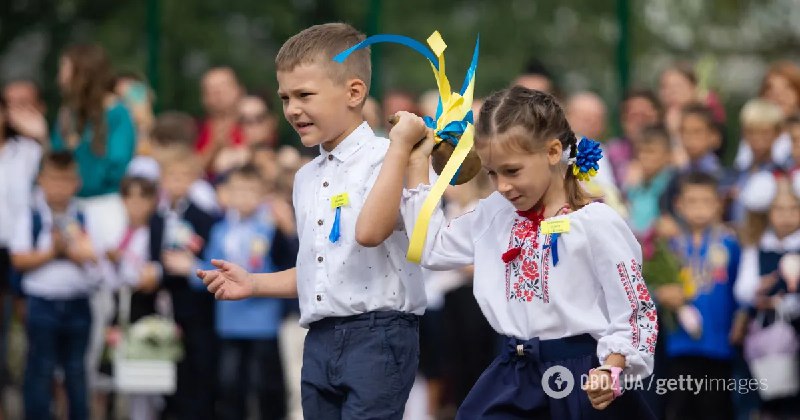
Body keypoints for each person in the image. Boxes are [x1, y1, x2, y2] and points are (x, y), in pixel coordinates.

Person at [356, 86, 657, 419]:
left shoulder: (596, 223)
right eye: (492, 173)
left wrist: (612, 369)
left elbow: (636, 310)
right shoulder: (495, 213)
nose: (501, 186)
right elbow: (431, 248)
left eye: (512, 171)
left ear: (553, 151)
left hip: (579, 382)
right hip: (513, 377)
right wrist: (417, 162)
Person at [197, 23, 426, 420]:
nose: (292, 109)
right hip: (319, 338)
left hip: (379, 335)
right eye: (285, 97)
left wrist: (401, 150)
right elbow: (318, 271)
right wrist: (253, 283)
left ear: (354, 93)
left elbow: (370, 233)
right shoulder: (305, 178)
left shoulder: (389, 157)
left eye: (305, 95)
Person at [189, 164, 296, 420]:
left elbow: (289, 263)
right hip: (229, 322)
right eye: (237, 190)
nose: (244, 196)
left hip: (263, 323)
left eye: (250, 190)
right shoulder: (220, 230)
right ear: (226, 194)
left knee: (265, 386)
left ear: (262, 194)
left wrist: (287, 229)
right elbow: (208, 269)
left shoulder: (270, 227)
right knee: (229, 384)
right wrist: (190, 269)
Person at [10, 151, 104, 420]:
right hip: (42, 303)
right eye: (54, 180)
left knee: (76, 370)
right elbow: (18, 259)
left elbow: (96, 258)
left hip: (78, 302)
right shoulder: (31, 216)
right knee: (41, 367)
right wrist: (53, 251)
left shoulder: (86, 216)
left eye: (66, 180)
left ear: (76, 182)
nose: (60, 187)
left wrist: (75, 254)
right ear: (41, 180)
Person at [659, 172, 740, 420]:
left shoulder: (729, 243)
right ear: (678, 205)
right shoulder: (670, 245)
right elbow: (654, 286)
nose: (699, 209)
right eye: (692, 202)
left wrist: (741, 322)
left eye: (706, 201)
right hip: (679, 344)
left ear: (718, 204)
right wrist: (662, 294)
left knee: (715, 408)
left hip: (718, 343)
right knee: (680, 409)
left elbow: (739, 288)